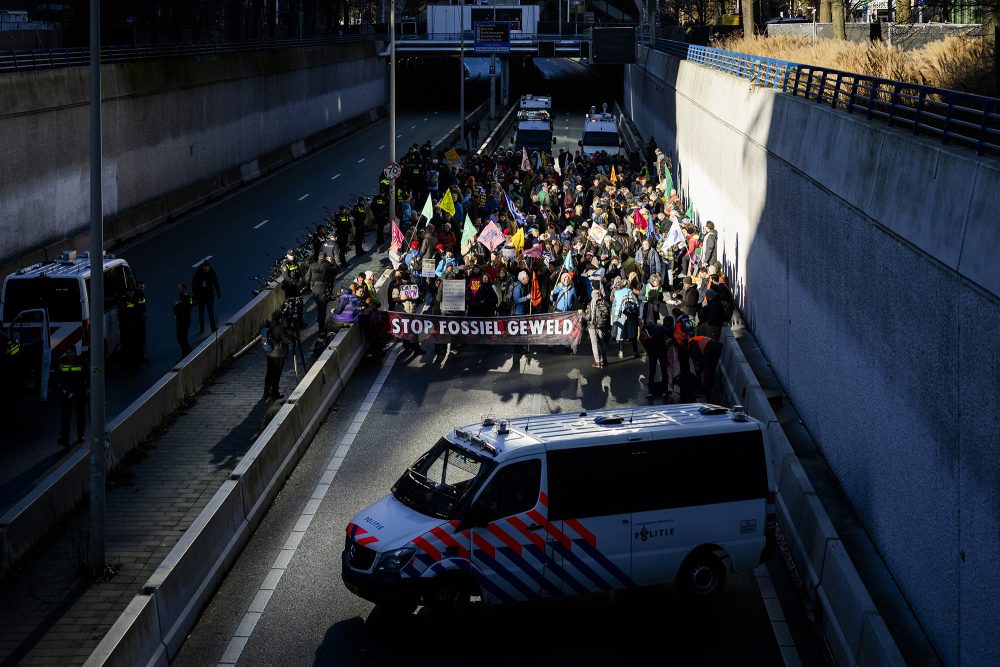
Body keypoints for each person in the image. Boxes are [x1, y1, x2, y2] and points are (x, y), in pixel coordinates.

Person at [55, 347, 87, 446]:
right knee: (65, 417)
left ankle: (80, 435)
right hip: (66, 393)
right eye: (67, 352)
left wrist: (88, 388)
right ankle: (65, 439)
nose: (69, 354)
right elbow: (57, 376)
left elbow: (87, 374)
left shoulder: (82, 361)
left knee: (80, 415)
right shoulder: (61, 361)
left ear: (75, 353)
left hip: (79, 392)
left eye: (71, 352)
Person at [641, 320, 677, 400]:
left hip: (652, 352)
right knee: (664, 371)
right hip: (662, 351)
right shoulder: (659, 328)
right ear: (654, 324)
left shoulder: (645, 331)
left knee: (652, 372)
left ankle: (650, 392)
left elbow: (643, 342)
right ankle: (665, 391)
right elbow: (670, 333)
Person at [262, 311, 292, 401]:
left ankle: (266, 392)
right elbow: (287, 340)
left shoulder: (268, 324)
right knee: (276, 375)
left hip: (269, 353)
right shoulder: (280, 327)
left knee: (269, 373)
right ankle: (275, 393)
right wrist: (290, 335)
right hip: (278, 354)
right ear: (280, 318)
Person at [687, 334, 724, 401]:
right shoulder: (695, 339)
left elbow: (699, 357)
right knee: (711, 369)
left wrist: (699, 370)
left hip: (710, 347)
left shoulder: (691, 343)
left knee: (706, 368)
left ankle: (705, 389)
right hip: (718, 346)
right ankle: (708, 388)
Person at [611, 277, 640, 359]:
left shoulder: (617, 293)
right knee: (633, 334)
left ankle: (621, 352)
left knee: (621, 334)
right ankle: (635, 352)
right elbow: (636, 305)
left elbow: (614, 306)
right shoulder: (631, 293)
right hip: (631, 316)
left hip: (620, 316)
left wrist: (614, 318)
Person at [191, 260, 221, 334]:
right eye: (204, 268)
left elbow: (216, 283)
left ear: (209, 267)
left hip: (210, 296)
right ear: (202, 267)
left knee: (210, 312)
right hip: (201, 296)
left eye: (207, 268)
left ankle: (213, 327)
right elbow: (194, 285)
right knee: (201, 313)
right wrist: (195, 296)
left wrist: (218, 293)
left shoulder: (212, 273)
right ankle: (202, 329)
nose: (206, 270)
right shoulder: (198, 273)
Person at [308, 254, 335, 333]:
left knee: (320, 308)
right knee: (322, 310)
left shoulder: (312, 266)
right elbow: (335, 271)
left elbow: (307, 278)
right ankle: (321, 327)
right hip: (323, 290)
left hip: (315, 290)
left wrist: (310, 287)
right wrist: (331, 263)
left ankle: (321, 326)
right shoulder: (326, 266)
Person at [586, 287, 611, 368]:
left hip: (592, 326)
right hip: (602, 326)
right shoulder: (605, 303)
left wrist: (581, 313)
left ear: (592, 295)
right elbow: (608, 314)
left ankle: (598, 362)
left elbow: (588, 317)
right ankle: (604, 360)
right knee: (601, 343)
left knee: (594, 343)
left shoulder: (590, 303)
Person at [174, 283, 194, 358]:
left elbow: (182, 308)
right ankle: (184, 354)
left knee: (182, 339)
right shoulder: (183, 297)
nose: (178, 289)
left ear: (183, 289)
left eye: (179, 288)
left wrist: (177, 306)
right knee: (182, 338)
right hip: (182, 320)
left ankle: (188, 352)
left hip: (184, 321)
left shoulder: (186, 298)